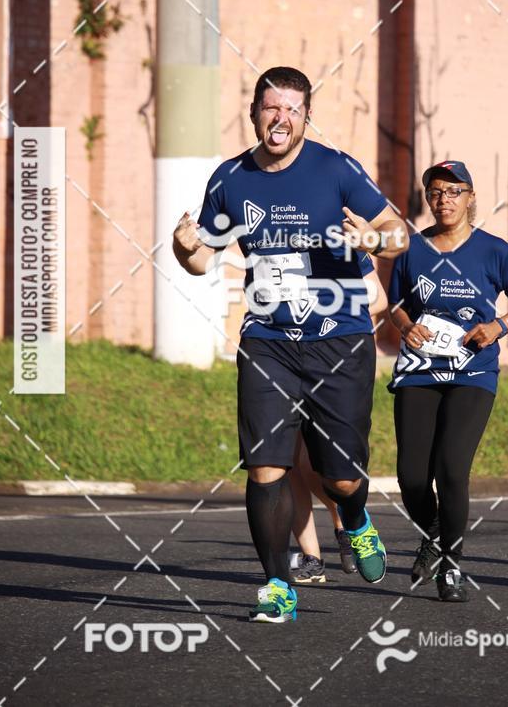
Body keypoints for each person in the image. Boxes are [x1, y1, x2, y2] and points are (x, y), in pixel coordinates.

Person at [173, 66, 408, 623]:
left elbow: (398, 232)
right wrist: (184, 248)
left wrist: (372, 238)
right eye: (271, 108)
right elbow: (203, 258)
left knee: (341, 475)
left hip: (340, 339)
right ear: (254, 112)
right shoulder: (230, 179)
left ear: (307, 117)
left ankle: (354, 518)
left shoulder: (336, 168)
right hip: (268, 341)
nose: (281, 119)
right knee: (265, 469)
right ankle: (278, 584)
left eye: (292, 110)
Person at [387, 160, 508, 603]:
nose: (444, 200)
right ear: (427, 199)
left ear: (470, 198)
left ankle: (450, 564)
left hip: (473, 371)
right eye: (435, 192)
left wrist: (499, 327)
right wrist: (405, 326)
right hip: (420, 371)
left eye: (454, 191)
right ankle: (433, 531)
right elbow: (394, 305)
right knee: (412, 477)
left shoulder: (494, 250)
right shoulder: (412, 249)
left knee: (451, 470)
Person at [290, 267, 388, 583]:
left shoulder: (338, 240)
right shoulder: (270, 238)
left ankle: (346, 523)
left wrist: (322, 312)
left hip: (333, 358)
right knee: (285, 461)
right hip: (281, 354)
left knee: (318, 466)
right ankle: (311, 558)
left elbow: (378, 299)